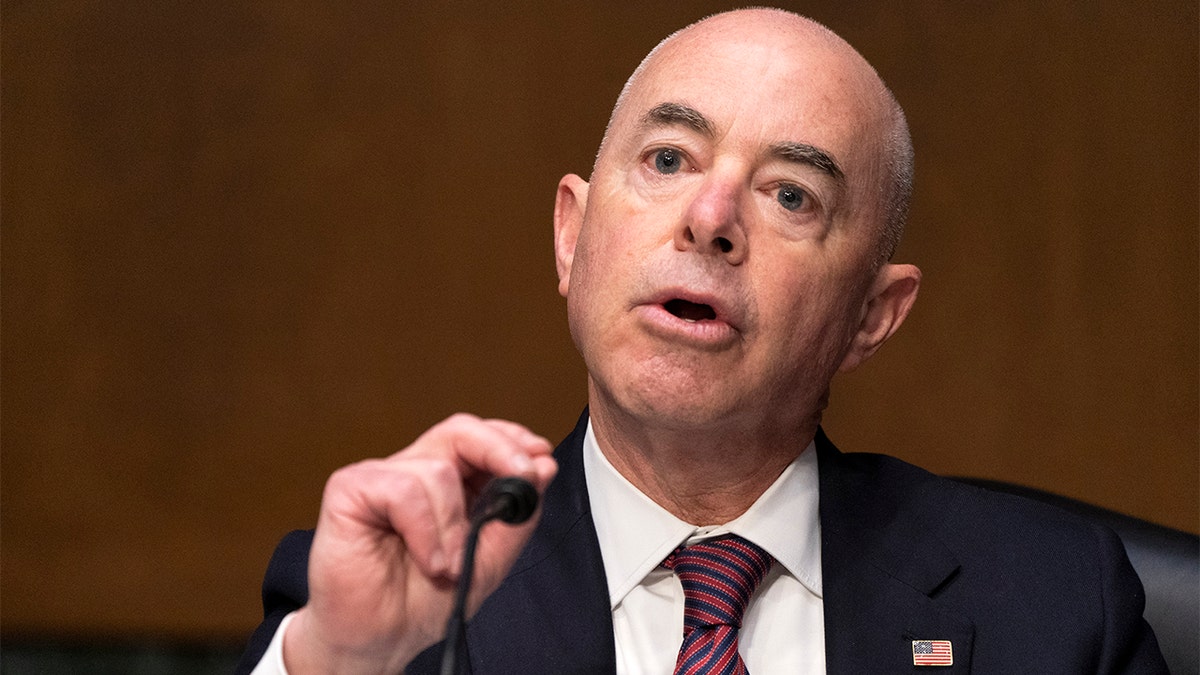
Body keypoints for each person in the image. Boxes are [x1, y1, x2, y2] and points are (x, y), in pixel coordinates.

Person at [238, 8, 1166, 674]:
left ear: (872, 317)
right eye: (669, 159)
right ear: (572, 234)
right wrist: (341, 665)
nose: (711, 217)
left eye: (791, 194)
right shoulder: (393, 602)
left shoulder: (1052, 606)